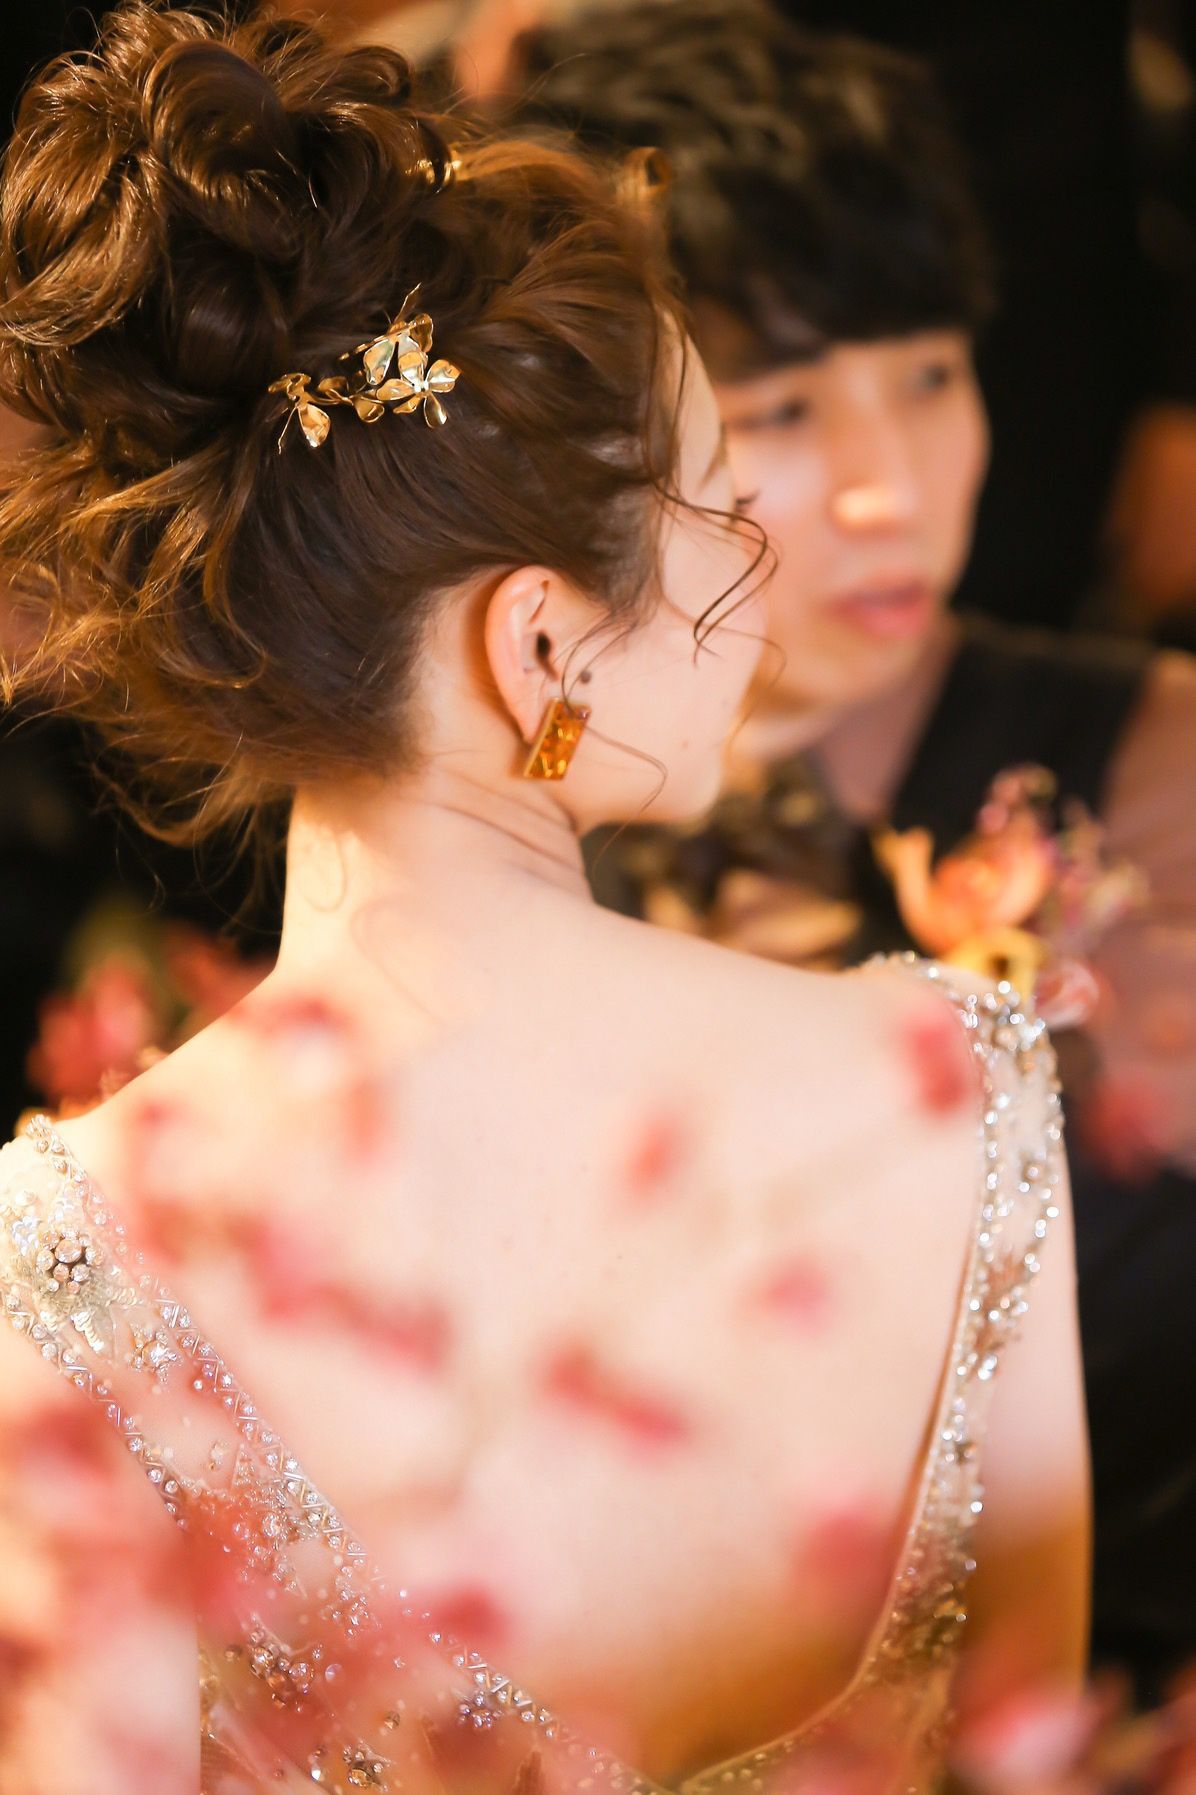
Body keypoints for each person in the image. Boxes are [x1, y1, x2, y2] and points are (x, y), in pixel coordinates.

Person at [0, 5, 1086, 1790]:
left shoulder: (79, 1270)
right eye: (719, 512)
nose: (761, 579)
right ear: (541, 645)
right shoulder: (960, 1081)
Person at [507, 0, 1196, 1699]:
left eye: (934, 374)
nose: (897, 485)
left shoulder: (1160, 771)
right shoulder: (490, 832)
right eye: (791, 409)